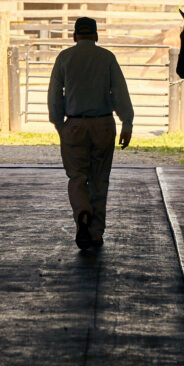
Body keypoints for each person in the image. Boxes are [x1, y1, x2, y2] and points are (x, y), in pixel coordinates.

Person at [48, 16, 134, 250]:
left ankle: (82, 214)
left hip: (75, 124)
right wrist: (127, 123)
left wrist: (59, 124)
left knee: (77, 178)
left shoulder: (64, 58)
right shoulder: (107, 58)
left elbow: (55, 95)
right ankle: (95, 233)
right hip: (103, 124)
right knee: (99, 179)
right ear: (96, 35)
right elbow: (119, 93)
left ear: (75, 36)